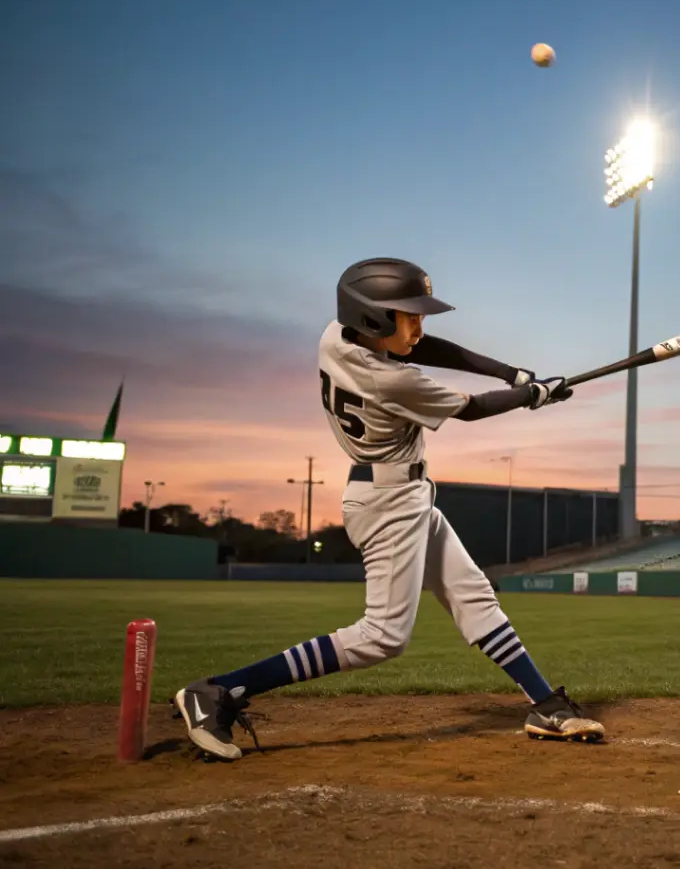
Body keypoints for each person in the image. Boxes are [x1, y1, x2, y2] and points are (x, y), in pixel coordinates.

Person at [171, 257, 604, 761]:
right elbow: (471, 408)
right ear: (374, 321)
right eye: (408, 315)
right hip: (388, 503)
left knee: (473, 595)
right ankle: (221, 691)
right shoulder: (389, 381)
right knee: (382, 637)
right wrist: (532, 394)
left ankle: (544, 703)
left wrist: (508, 372)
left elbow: (428, 347)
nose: (419, 326)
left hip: (402, 494)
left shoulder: (337, 337)